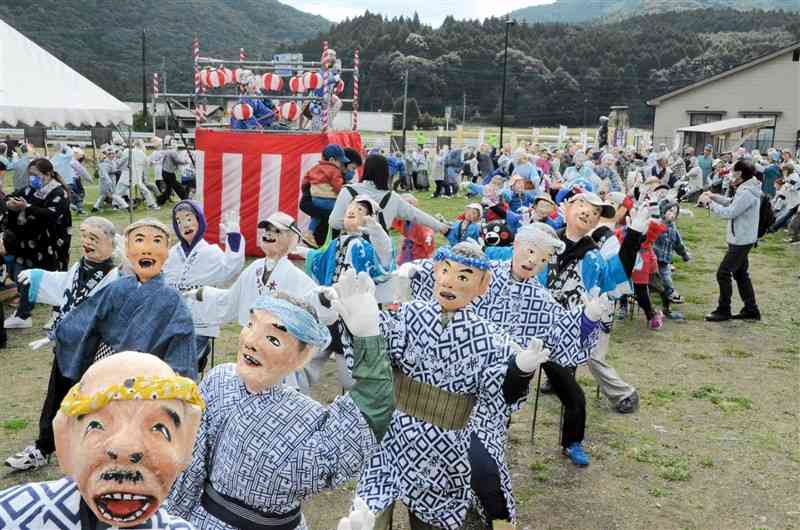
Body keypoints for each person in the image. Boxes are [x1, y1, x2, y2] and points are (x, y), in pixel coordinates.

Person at [166, 277, 393, 530]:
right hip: (205, 521)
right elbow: (189, 461)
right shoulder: (219, 380)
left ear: (302, 357)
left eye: (273, 339)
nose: (251, 341)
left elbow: (365, 419)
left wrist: (367, 338)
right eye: (251, 325)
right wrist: (173, 518)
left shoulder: (310, 419)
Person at [358, 242, 547, 530]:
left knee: (438, 513)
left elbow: (501, 391)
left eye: (463, 276)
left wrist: (520, 369)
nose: (449, 281)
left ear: (482, 286)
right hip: (393, 431)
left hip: (445, 441)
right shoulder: (409, 315)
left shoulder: (488, 337)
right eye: (445, 271)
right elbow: (374, 351)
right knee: (369, 512)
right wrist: (356, 323)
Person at [0, 352, 203, 529]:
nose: (125, 448)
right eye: (96, 426)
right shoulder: (10, 516)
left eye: (159, 429)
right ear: (65, 441)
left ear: (184, 446)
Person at [5, 217, 121, 471]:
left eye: (95, 238)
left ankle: (93, 451)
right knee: (55, 398)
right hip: (66, 347)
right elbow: (62, 284)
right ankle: (44, 446)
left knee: (92, 403)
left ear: (111, 245)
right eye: (86, 236)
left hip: (96, 354)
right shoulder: (79, 269)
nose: (88, 243)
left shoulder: (116, 279)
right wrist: (38, 277)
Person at [186, 212, 337, 391]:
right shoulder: (254, 269)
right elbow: (230, 299)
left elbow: (312, 301)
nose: (268, 234)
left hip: (278, 347)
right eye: (266, 229)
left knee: (276, 390)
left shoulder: (295, 276)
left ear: (291, 239)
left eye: (276, 231)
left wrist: (324, 297)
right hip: (251, 342)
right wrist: (203, 293)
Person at [53, 218, 197, 381]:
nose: (147, 250)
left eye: (157, 241)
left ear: (167, 251)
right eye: (139, 240)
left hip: (147, 380)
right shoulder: (118, 287)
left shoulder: (173, 300)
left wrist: (176, 382)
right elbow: (88, 320)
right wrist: (61, 332)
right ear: (127, 250)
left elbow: (181, 351)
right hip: (103, 369)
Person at [163, 202, 245, 372]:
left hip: (200, 318)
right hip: (172, 318)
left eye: (188, 219)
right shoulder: (171, 253)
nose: (184, 224)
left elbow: (231, 268)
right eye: (178, 221)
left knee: (182, 364)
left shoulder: (211, 252)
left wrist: (234, 236)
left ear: (199, 220)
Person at [4, 158, 72, 329]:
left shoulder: (58, 192)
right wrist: (11, 203)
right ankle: (23, 314)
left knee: (54, 277)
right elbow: (14, 195)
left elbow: (51, 215)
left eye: (35, 175)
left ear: (47, 174)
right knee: (25, 275)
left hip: (53, 243)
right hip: (29, 243)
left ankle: (58, 313)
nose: (31, 179)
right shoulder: (30, 189)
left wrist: (26, 207)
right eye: (30, 175)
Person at [699, 159, 762, 322]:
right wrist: (713, 196)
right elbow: (731, 202)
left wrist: (710, 204)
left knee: (723, 273)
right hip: (742, 238)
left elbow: (730, 212)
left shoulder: (747, 191)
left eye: (733, 171)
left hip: (741, 240)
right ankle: (751, 309)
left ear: (740, 173)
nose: (730, 174)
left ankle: (723, 310)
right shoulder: (747, 187)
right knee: (741, 274)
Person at [329, 154, 449, 237]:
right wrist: (440, 227)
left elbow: (334, 222)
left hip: (351, 250)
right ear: (386, 172)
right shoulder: (393, 198)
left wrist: (355, 225)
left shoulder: (348, 191)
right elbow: (416, 215)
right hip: (380, 253)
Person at [300, 144, 349, 244]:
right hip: (329, 199)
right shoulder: (335, 170)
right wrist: (342, 192)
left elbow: (305, 181)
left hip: (315, 199)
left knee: (316, 216)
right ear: (332, 160)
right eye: (340, 162)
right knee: (339, 212)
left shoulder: (314, 168)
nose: (341, 165)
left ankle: (309, 232)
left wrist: (310, 190)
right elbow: (337, 185)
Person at [653, 200, 691, 320]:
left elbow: (678, 244)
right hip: (653, 260)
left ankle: (667, 307)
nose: (672, 214)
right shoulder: (657, 224)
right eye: (670, 211)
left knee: (666, 280)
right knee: (655, 283)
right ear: (663, 212)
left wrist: (684, 255)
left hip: (665, 261)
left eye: (675, 212)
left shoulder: (674, 229)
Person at [395, 194, 435, 265]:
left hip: (418, 257)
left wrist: (429, 261)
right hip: (406, 253)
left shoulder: (421, 223)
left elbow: (429, 236)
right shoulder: (405, 220)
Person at [91, 146, 129, 212]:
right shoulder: (104, 164)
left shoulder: (113, 161)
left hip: (111, 180)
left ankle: (95, 208)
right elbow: (105, 174)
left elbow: (119, 163)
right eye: (109, 154)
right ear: (106, 155)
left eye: (112, 154)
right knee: (115, 195)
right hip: (106, 182)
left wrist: (126, 156)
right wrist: (109, 182)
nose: (111, 155)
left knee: (102, 196)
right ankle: (127, 207)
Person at [158, 139, 190, 205]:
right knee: (178, 187)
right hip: (169, 173)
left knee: (169, 188)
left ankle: (160, 201)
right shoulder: (173, 152)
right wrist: (186, 161)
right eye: (174, 142)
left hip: (164, 172)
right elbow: (178, 161)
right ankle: (186, 199)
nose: (176, 144)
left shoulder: (167, 151)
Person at [69, 147, 92, 214]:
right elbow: (83, 172)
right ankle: (78, 208)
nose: (82, 157)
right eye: (81, 155)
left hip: (68, 179)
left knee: (72, 194)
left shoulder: (68, 161)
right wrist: (89, 179)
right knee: (80, 194)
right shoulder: (74, 162)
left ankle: (75, 207)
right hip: (74, 180)